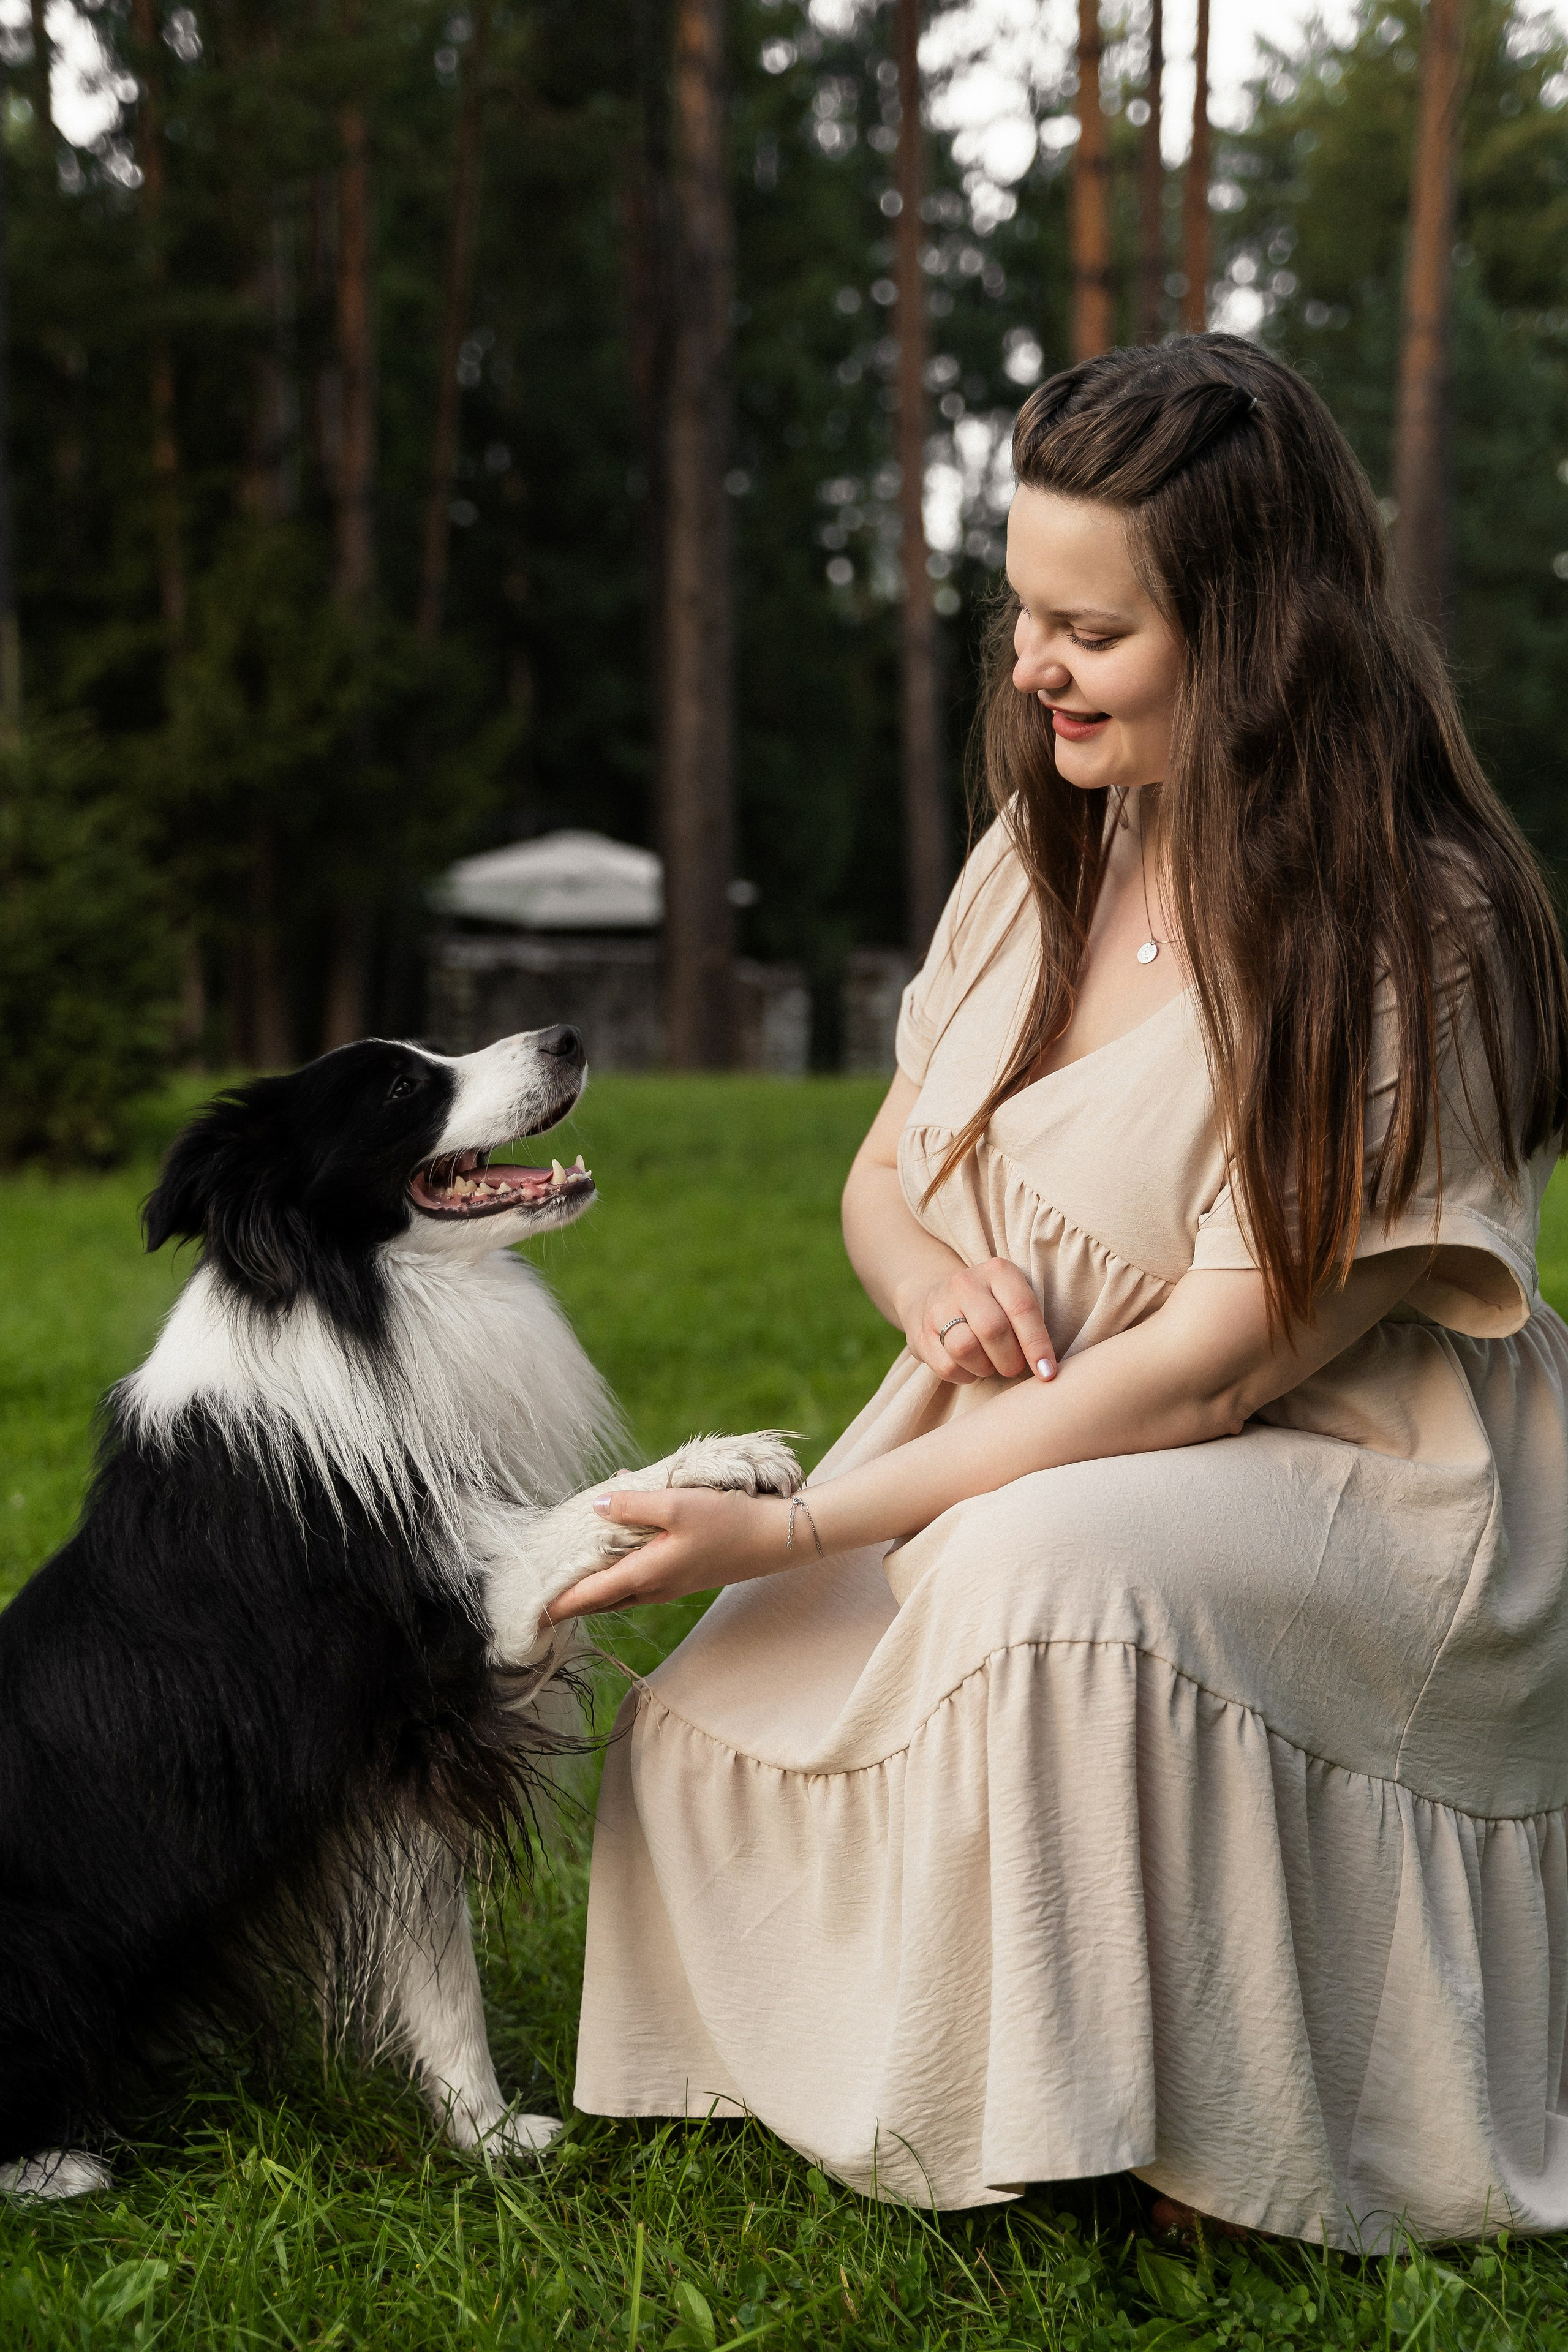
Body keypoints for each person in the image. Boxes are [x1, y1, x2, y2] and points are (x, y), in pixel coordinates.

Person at [551, 334, 1568, 2250]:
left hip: (1369, 1486)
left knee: (1042, 1582)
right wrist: (932, 1282)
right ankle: (990, 2079)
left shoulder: (1420, 931)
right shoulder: (1048, 849)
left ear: (1258, 637)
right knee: (717, 1707)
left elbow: (1204, 1377)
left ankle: (1181, 2140)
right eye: (1023, 610)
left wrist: (798, 1523)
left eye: (1089, 632)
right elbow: (879, 1170)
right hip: (1036, 1433)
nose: (1029, 666)